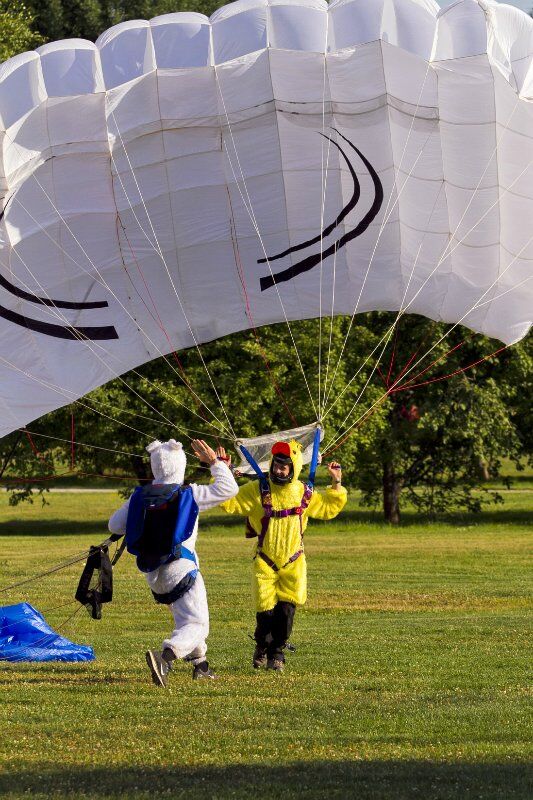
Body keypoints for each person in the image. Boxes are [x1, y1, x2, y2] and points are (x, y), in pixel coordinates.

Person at [108, 438, 238, 687]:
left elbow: (114, 525)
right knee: (197, 624)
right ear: (180, 463)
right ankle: (165, 657)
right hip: (182, 569)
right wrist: (215, 463)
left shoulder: (140, 496)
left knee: (186, 616)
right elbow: (228, 489)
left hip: (154, 573)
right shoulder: (190, 494)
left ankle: (201, 665)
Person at [217, 440, 347, 672]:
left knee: (286, 612)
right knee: (265, 612)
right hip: (265, 561)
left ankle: (277, 653)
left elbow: (329, 508)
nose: (278, 470)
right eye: (276, 465)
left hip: (293, 561)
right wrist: (223, 474)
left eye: (283, 467)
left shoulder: (304, 493)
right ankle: (262, 647)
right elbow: (228, 503)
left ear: (293, 468)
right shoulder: (258, 490)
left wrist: (336, 481)